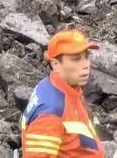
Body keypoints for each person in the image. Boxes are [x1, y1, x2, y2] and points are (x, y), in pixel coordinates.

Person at [19, 29, 104, 158]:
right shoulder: (50, 113)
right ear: (56, 64)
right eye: (76, 59)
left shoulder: (60, 87)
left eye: (86, 57)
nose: (86, 65)